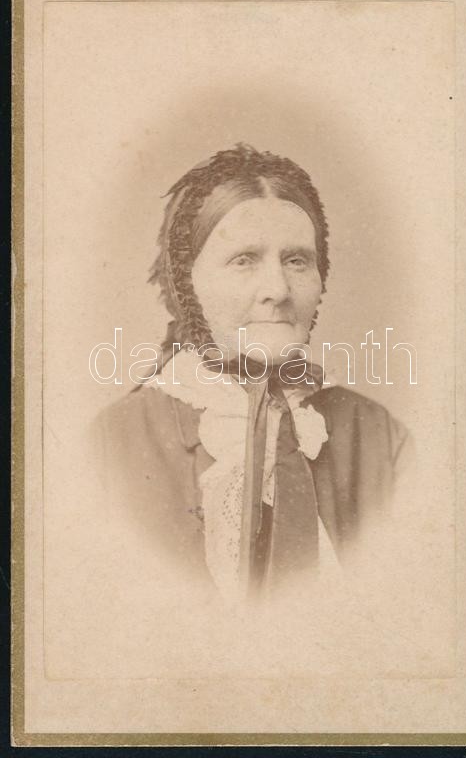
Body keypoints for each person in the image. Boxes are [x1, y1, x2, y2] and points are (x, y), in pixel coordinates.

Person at [93, 143, 412, 609]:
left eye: (297, 260)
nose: (277, 290)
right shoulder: (108, 446)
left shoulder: (382, 438)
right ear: (187, 281)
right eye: (244, 259)